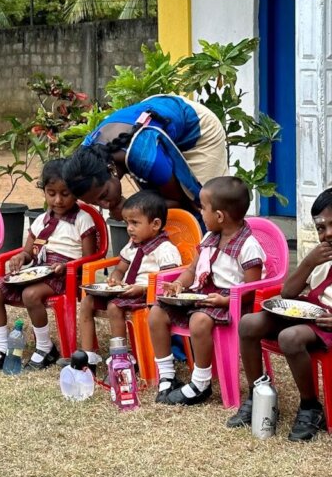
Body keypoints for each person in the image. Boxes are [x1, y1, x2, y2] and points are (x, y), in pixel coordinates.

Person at [148, 176, 264, 405]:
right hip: (203, 294)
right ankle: (167, 376)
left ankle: (201, 383)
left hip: (232, 302)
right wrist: (180, 283)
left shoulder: (249, 246)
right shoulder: (211, 237)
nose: (201, 212)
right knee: (156, 313)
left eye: (203, 208)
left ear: (219, 216)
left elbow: (252, 290)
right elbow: (192, 269)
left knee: (199, 321)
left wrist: (225, 301)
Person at [231, 188, 332, 440]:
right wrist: (308, 262)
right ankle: (259, 394)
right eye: (321, 228)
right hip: (309, 312)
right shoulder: (321, 257)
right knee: (249, 323)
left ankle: (311, 407)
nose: (327, 234)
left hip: (325, 324)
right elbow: (288, 292)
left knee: (290, 338)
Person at [0, 160, 96, 372]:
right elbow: (28, 251)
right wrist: (20, 257)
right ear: (44, 191)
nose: (58, 200)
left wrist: (68, 266)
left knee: (30, 295)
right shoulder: (41, 220)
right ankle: (1, 348)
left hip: (65, 274)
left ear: (76, 192)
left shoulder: (83, 219)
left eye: (65, 193)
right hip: (37, 270)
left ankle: (45, 348)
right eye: (51, 193)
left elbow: (90, 258)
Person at [63, 94, 227, 218]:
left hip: (197, 127)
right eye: (95, 203)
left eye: (104, 195)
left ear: (111, 168)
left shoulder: (143, 155)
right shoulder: (87, 153)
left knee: (205, 206)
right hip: (157, 114)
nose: (104, 205)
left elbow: (179, 202)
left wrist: (131, 210)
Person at [75, 190, 181, 373]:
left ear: (155, 224)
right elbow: (120, 268)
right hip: (124, 292)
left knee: (114, 307)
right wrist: (114, 279)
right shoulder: (132, 245)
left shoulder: (165, 249)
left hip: (148, 296)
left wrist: (141, 289)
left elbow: (168, 281)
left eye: (135, 223)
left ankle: (121, 358)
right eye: (127, 223)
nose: (129, 228)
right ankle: (88, 356)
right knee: (87, 302)